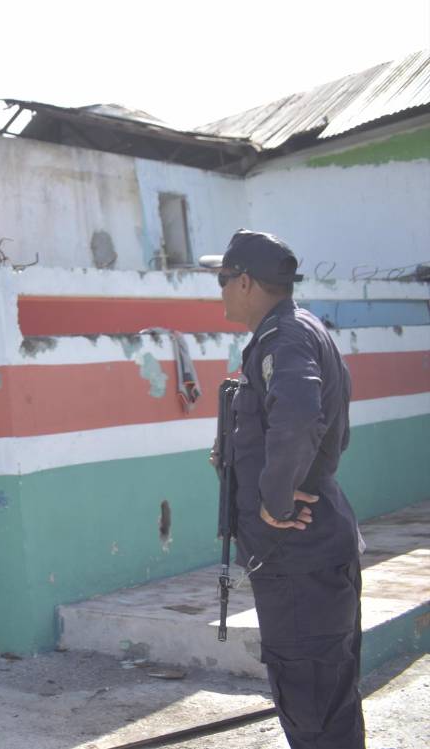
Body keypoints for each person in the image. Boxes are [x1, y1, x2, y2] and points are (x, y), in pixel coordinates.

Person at [202, 229, 365, 748]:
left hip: (299, 558)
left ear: (246, 282)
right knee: (324, 697)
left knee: (312, 701)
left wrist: (273, 499)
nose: (220, 290)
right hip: (308, 557)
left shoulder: (285, 338)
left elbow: (297, 413)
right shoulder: (296, 330)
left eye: (224, 280)